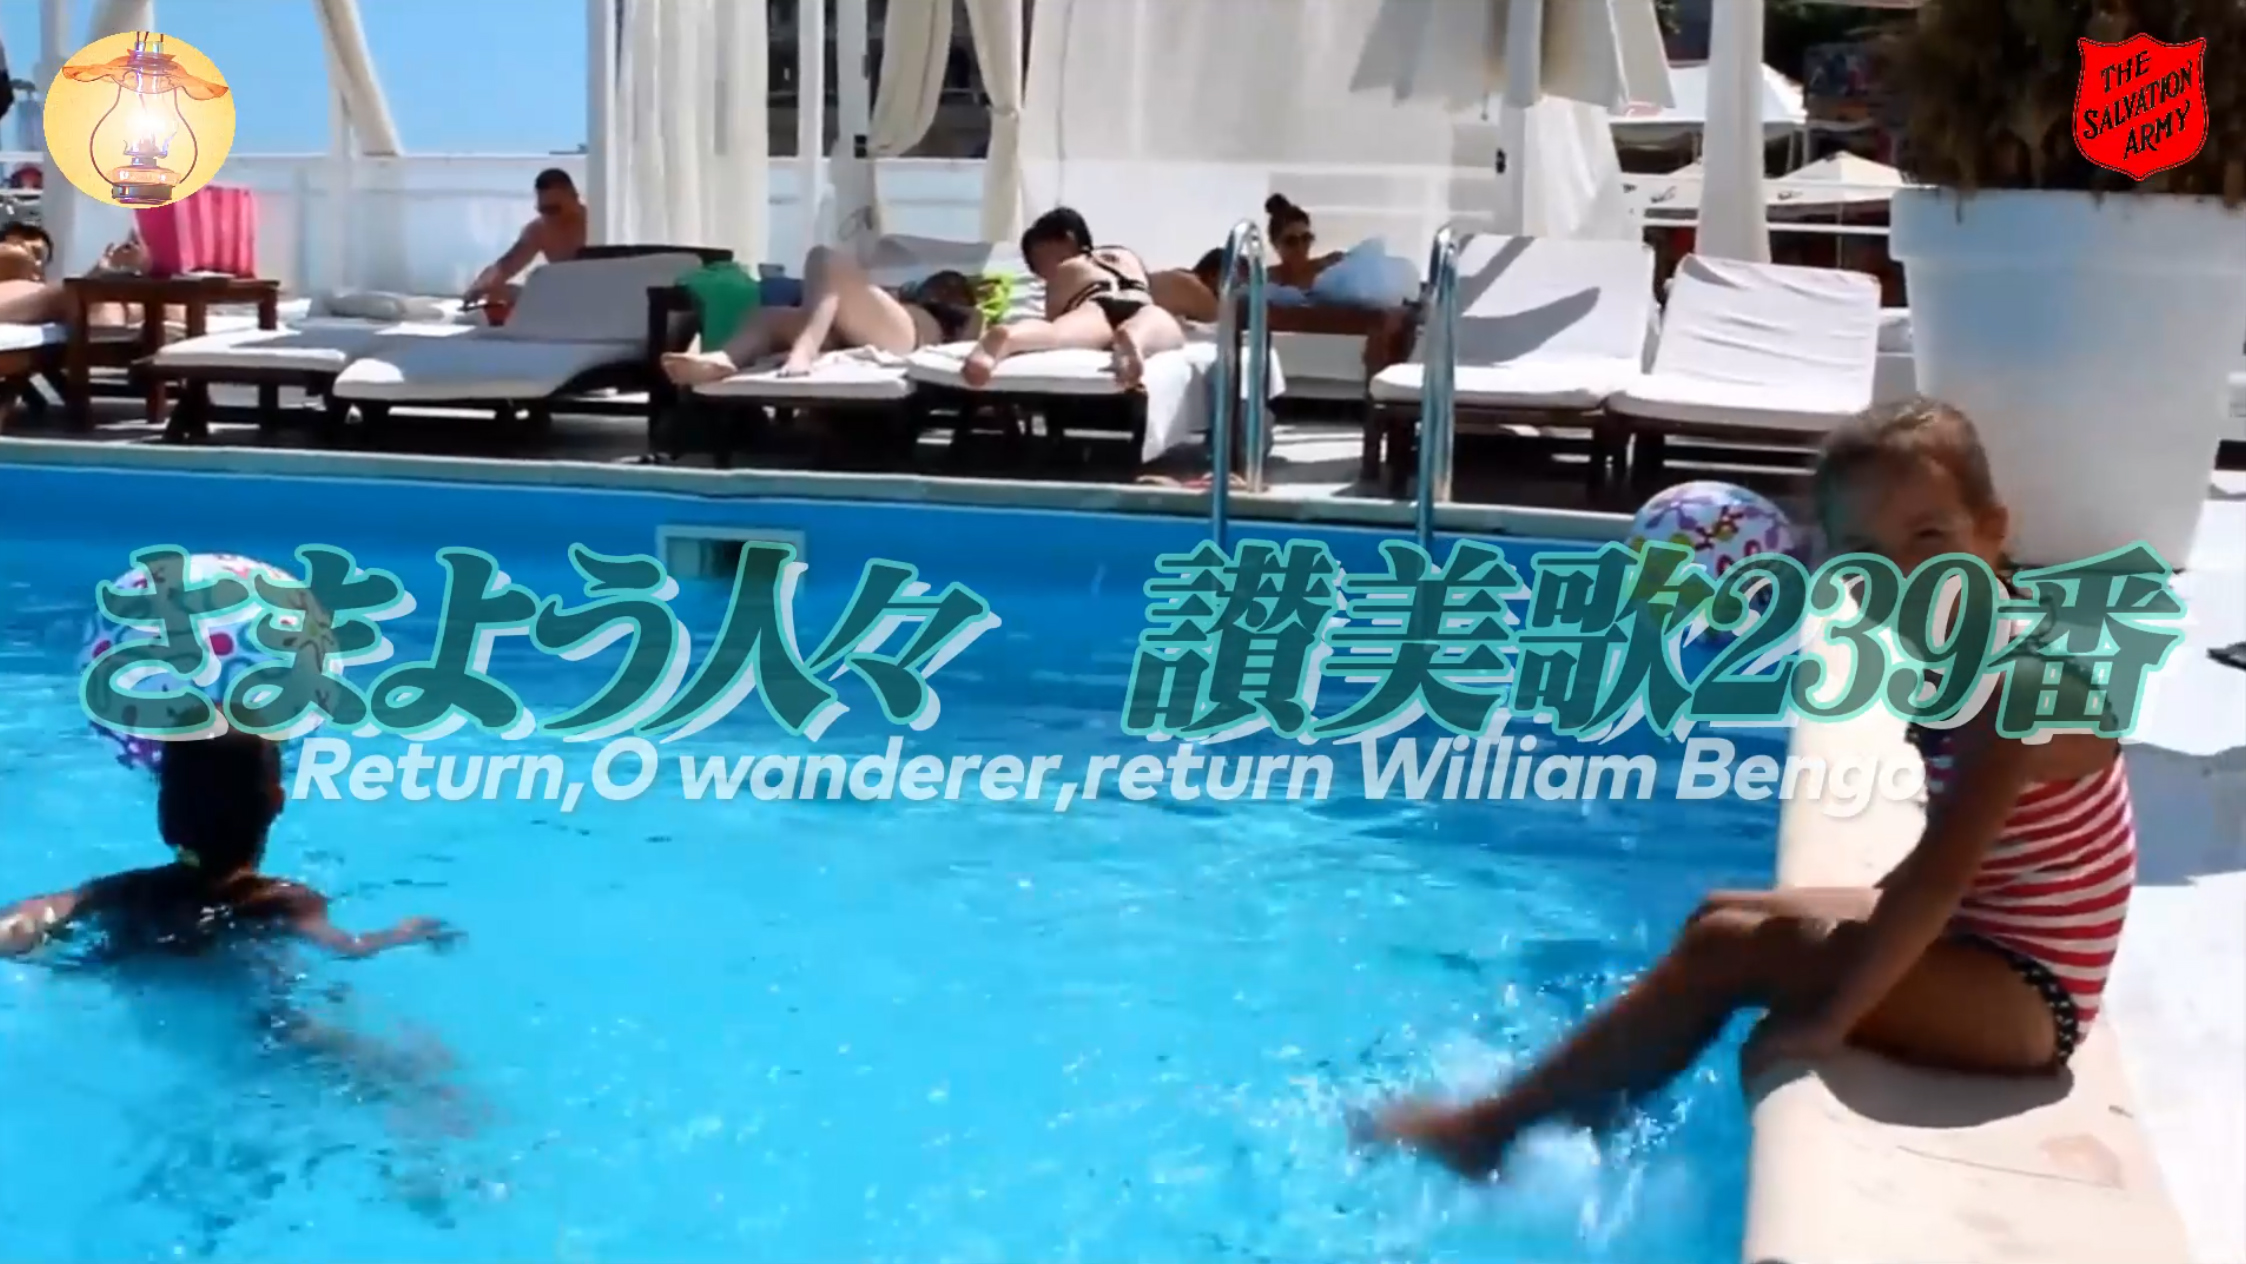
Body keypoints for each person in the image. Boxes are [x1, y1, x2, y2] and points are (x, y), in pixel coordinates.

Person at [1368, 399, 2135, 1177]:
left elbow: (1942, 879)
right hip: (1987, 945)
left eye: (1928, 537)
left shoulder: (2013, 684)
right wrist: (1839, 925)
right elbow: (1955, 860)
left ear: (1992, 529)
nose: (1900, 572)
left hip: (2029, 1001)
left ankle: (1492, 1133)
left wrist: (1830, 1021)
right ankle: (1584, 1115)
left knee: (1728, 950)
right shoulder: (1959, 654)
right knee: (1719, 915)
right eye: (1866, 551)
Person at [0, 730, 459, 965]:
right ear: (276, 802)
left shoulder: (126, 891)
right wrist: (404, 933)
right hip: (250, 1021)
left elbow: (38, 913)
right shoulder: (284, 901)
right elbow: (347, 948)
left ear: (165, 811)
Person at [661, 249, 985, 385]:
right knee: (766, 316)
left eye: (951, 287)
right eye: (937, 283)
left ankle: (806, 349)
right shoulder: (900, 301)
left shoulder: (964, 315)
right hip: (851, 334)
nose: (942, 289)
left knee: (823, 257)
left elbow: (973, 342)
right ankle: (724, 359)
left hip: (909, 339)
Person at [960, 207, 1186, 389]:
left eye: (1040, 262)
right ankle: (1134, 338)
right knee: (1164, 325)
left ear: (1068, 239)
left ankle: (1008, 337)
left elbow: (1052, 321)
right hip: (1139, 301)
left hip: (1093, 300)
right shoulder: (1124, 254)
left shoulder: (1068, 268)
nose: (1042, 274)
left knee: (1055, 334)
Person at [462, 167, 588, 308]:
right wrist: (479, 287)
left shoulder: (597, 222)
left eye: (554, 209)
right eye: (543, 210)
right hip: (561, 297)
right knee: (495, 291)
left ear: (574, 197)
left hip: (595, 293)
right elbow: (506, 265)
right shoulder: (539, 230)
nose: (549, 216)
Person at [1264, 194, 1343, 291]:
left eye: (1305, 238)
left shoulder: (1330, 269)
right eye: (1291, 241)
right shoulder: (1266, 280)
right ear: (1275, 244)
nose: (1300, 247)